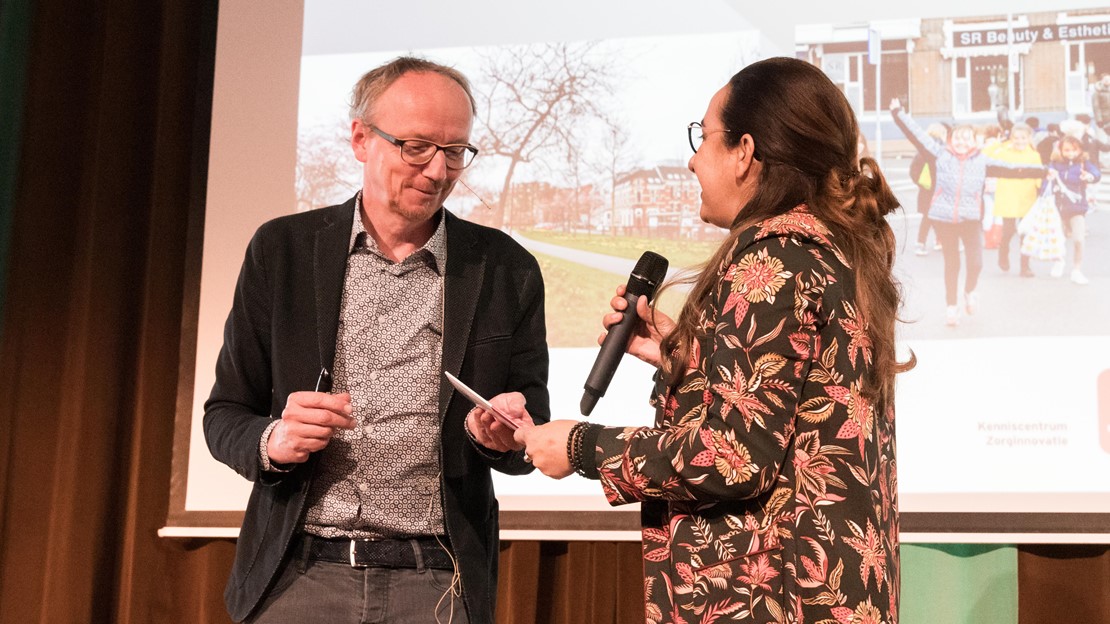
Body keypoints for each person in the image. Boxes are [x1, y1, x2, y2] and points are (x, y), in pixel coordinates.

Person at [504, 57, 910, 623]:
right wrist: (690, 357)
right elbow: (798, 416)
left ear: (745, 151)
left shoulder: (771, 260)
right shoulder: (829, 251)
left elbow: (735, 456)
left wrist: (583, 447)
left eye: (703, 136)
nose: (693, 160)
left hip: (773, 600)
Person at [203, 56, 550, 624]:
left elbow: (528, 432)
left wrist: (502, 437)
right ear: (361, 139)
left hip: (438, 582)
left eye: (455, 151)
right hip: (296, 576)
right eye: (417, 147)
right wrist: (274, 440)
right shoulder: (283, 251)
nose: (437, 171)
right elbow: (224, 415)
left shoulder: (505, 269)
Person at [891, 100, 1044, 325]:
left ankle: (970, 291)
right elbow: (916, 135)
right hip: (944, 219)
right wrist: (898, 113)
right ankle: (951, 307)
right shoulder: (939, 154)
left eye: (967, 138)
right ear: (951, 140)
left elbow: (1013, 169)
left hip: (970, 219)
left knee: (976, 263)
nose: (962, 142)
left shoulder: (982, 161)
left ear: (974, 141)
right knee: (952, 264)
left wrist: (1043, 171)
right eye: (958, 138)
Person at [986, 123, 1045, 277]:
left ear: (1029, 138)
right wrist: (999, 143)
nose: (1020, 141)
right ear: (1010, 138)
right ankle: (1003, 252)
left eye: (1023, 138)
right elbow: (985, 156)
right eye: (1016, 138)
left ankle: (1025, 266)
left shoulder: (1034, 155)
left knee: (1025, 233)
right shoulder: (1004, 152)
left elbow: (1039, 174)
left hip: (1027, 196)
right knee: (1009, 230)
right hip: (1008, 195)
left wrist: (1042, 190)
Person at [1047, 134, 1100, 284]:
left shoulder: (1083, 163)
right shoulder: (1055, 164)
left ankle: (1077, 270)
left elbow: (1096, 173)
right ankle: (1059, 261)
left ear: (1080, 150)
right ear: (1060, 150)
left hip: (1077, 207)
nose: (1071, 153)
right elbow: (1046, 182)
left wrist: (1089, 176)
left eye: (1074, 150)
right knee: (1058, 239)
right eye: (1067, 150)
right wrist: (1048, 179)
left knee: (1078, 239)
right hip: (1058, 207)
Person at [909, 123, 948, 255]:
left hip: (927, 190)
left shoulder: (923, 148)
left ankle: (938, 241)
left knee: (931, 216)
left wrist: (922, 183)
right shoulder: (941, 149)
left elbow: (913, 170)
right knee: (931, 216)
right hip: (938, 189)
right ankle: (921, 243)